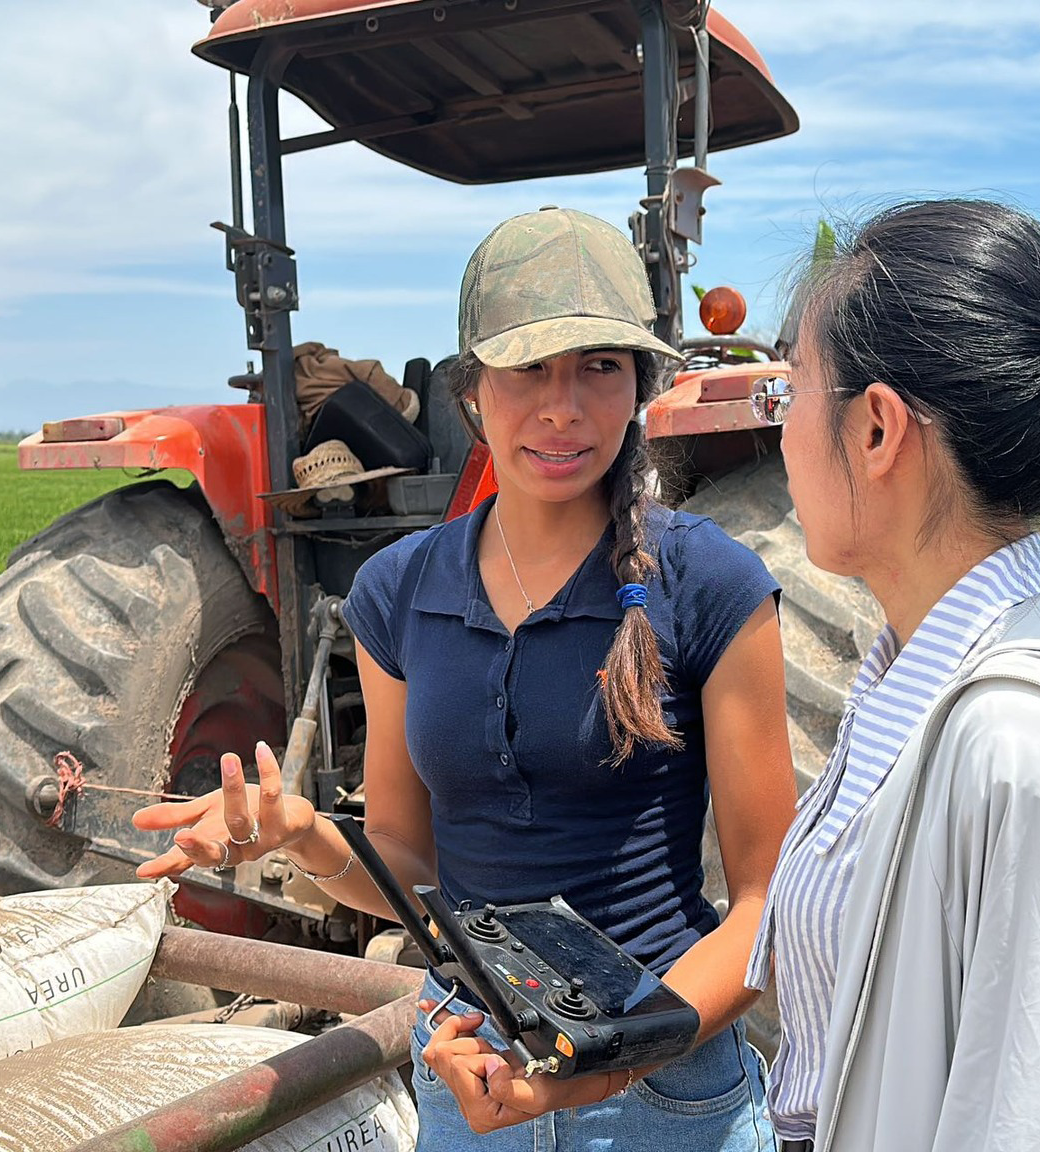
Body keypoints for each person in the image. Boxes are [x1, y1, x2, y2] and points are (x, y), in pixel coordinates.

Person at [432, 198, 1040, 1151]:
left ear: (876, 431)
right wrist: (593, 1072)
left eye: (790, 395)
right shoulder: (901, 687)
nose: (779, 438)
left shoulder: (1018, 750)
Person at [132, 206, 793, 1151]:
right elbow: (412, 862)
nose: (561, 407)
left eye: (598, 368)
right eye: (527, 368)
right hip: (469, 1075)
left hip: (663, 1095)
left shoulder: (712, 585)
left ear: (642, 386)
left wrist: (604, 1056)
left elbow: (768, 907)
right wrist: (309, 835)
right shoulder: (398, 592)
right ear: (472, 391)